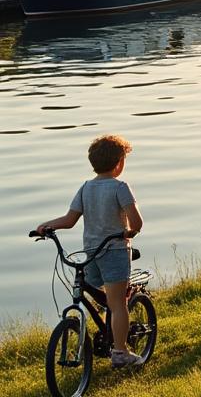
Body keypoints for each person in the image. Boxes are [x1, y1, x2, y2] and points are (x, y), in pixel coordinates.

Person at [34, 135, 145, 367]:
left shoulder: (85, 188)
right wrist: (129, 232)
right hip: (114, 252)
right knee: (117, 305)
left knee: (103, 298)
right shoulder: (120, 187)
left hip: (90, 254)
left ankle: (113, 339)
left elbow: (69, 219)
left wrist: (46, 226)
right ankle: (121, 352)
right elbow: (137, 223)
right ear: (119, 163)